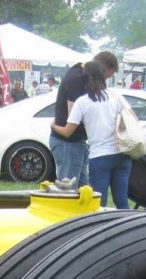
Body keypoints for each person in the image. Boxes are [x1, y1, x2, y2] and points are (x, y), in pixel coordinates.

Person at [50, 60, 131, 208]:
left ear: (85, 78)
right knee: (122, 200)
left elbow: (68, 132)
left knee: (99, 203)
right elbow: (131, 116)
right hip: (122, 154)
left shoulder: (83, 102)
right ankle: (130, 229)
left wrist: (54, 126)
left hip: (100, 156)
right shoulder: (115, 95)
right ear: (102, 75)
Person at [49, 51, 118, 187]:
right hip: (67, 143)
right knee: (68, 189)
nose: (103, 81)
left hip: (77, 142)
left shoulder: (82, 76)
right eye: (106, 76)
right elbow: (73, 116)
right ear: (102, 69)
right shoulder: (77, 78)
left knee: (83, 191)